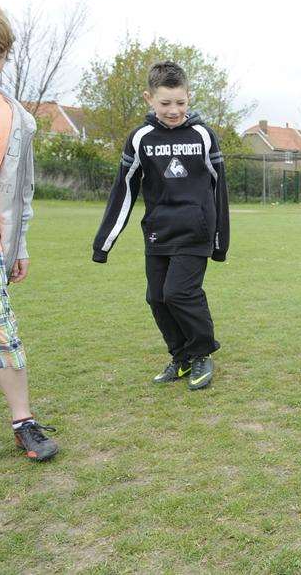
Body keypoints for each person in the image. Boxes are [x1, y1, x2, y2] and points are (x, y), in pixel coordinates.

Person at [92, 60, 229, 391]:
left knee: (179, 292)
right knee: (157, 297)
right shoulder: (140, 138)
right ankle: (180, 357)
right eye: (165, 103)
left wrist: (220, 240)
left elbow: (218, 189)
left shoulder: (202, 136)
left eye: (180, 102)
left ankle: (201, 354)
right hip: (157, 232)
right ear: (148, 98)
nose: (173, 110)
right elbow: (124, 189)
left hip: (196, 231)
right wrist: (104, 242)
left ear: (189, 97)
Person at [0, 0, 59, 461]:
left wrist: (20, 243)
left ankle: (23, 422)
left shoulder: (14, 119)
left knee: (1, 332)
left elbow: (17, 190)